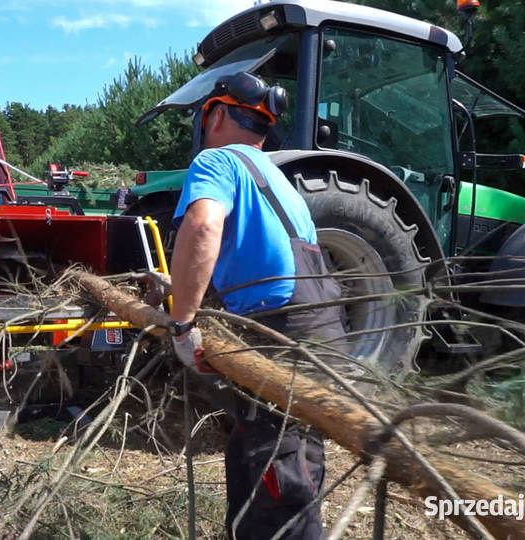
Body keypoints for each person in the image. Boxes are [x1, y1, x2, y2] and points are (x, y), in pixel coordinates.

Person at [168, 72, 345, 540]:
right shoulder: (277, 178)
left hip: (282, 329)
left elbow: (203, 228)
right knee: (264, 451)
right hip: (316, 321)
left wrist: (182, 326)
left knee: (281, 476)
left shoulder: (216, 160)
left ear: (218, 114)